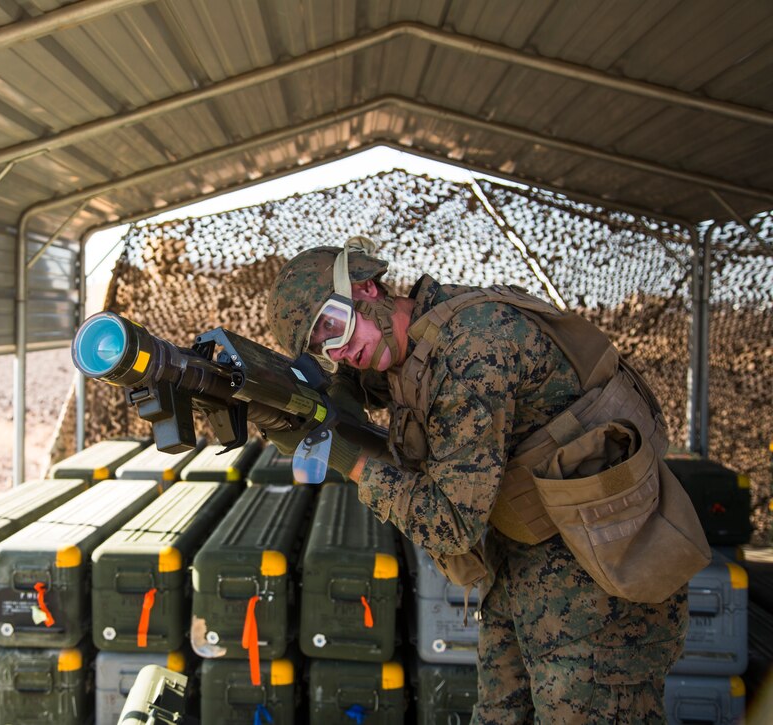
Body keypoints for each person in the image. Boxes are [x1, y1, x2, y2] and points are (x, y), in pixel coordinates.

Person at [264, 237, 710, 724]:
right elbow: (366, 385)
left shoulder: (473, 346)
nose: (337, 349)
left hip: (601, 571)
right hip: (528, 560)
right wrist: (297, 399)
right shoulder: (416, 336)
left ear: (367, 287)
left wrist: (345, 457)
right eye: (319, 346)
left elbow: (450, 524)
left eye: (332, 325)